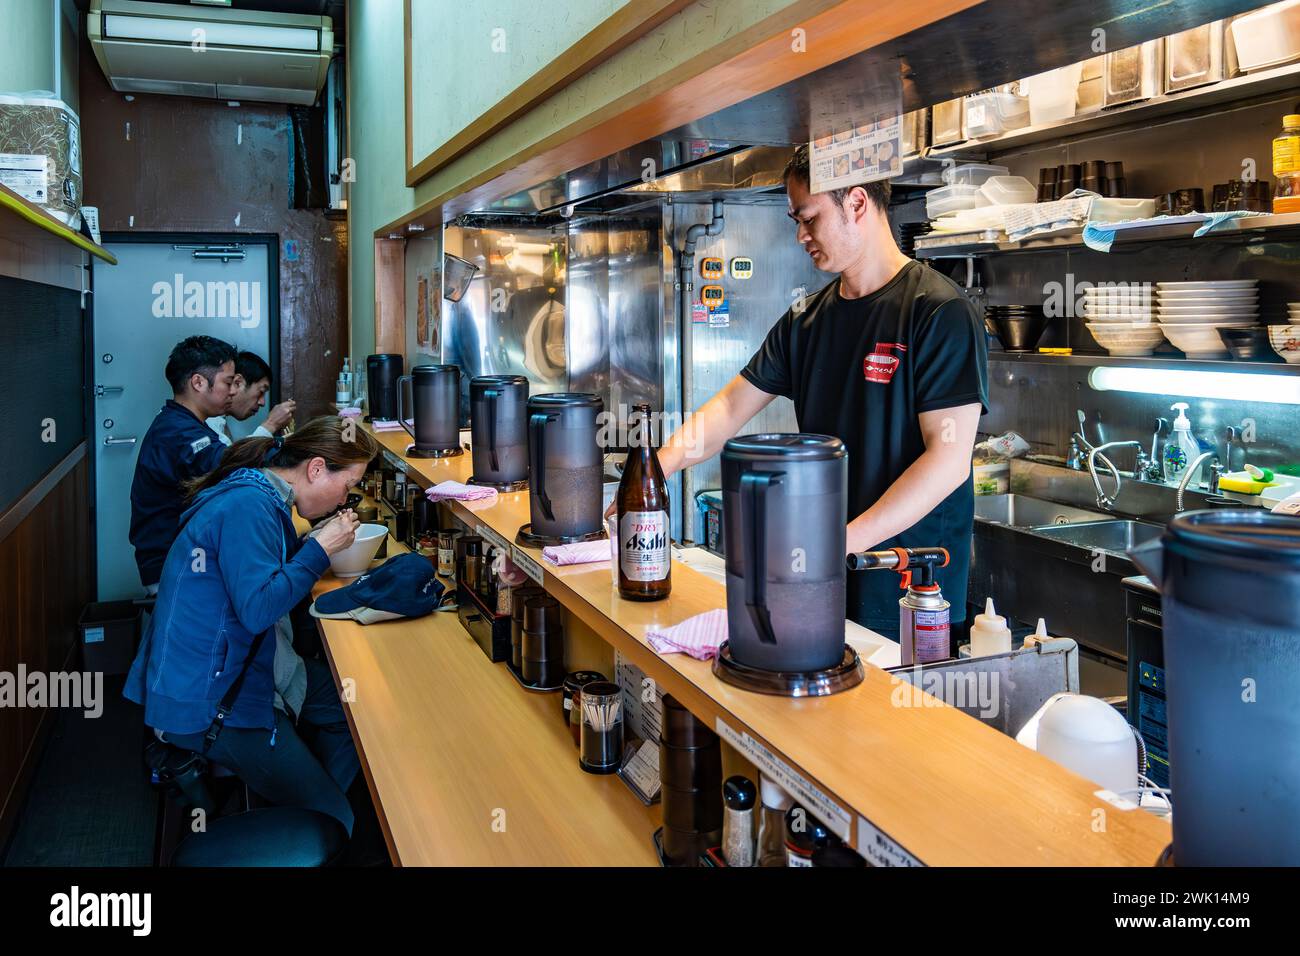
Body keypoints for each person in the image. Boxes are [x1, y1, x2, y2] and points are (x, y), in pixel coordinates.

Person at [648, 145, 988, 641]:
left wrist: (844, 542)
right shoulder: (806, 320)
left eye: (809, 218)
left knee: (894, 716)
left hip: (910, 585)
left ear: (856, 203)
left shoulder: (938, 312)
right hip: (824, 570)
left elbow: (949, 459)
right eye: (796, 221)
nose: (800, 236)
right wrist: (655, 471)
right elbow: (729, 407)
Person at [124, 417, 380, 836]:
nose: (344, 500)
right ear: (316, 468)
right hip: (212, 700)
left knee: (353, 706)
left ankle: (301, 797)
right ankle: (316, 818)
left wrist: (307, 549)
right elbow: (259, 609)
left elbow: (257, 575)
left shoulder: (257, 491)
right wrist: (317, 550)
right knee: (339, 818)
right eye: (348, 485)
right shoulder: (248, 506)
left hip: (224, 670)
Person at [129, 335, 239, 593]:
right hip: (173, 566)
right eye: (229, 382)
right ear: (198, 382)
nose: (233, 390)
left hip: (180, 556)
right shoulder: (178, 432)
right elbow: (226, 465)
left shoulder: (183, 422)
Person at [206, 350, 296, 445]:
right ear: (238, 383)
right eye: (261, 392)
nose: (262, 402)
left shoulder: (219, 421)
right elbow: (234, 459)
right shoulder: (208, 421)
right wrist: (271, 424)